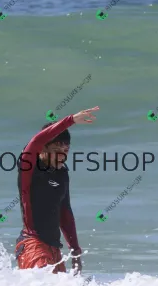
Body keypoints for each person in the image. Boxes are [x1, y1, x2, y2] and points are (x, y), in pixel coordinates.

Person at [14, 107, 99, 275]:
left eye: (65, 151)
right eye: (56, 151)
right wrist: (71, 120)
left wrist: (75, 250)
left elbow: (65, 212)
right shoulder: (29, 167)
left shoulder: (62, 173)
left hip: (54, 250)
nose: (62, 156)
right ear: (43, 149)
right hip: (32, 245)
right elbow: (36, 141)